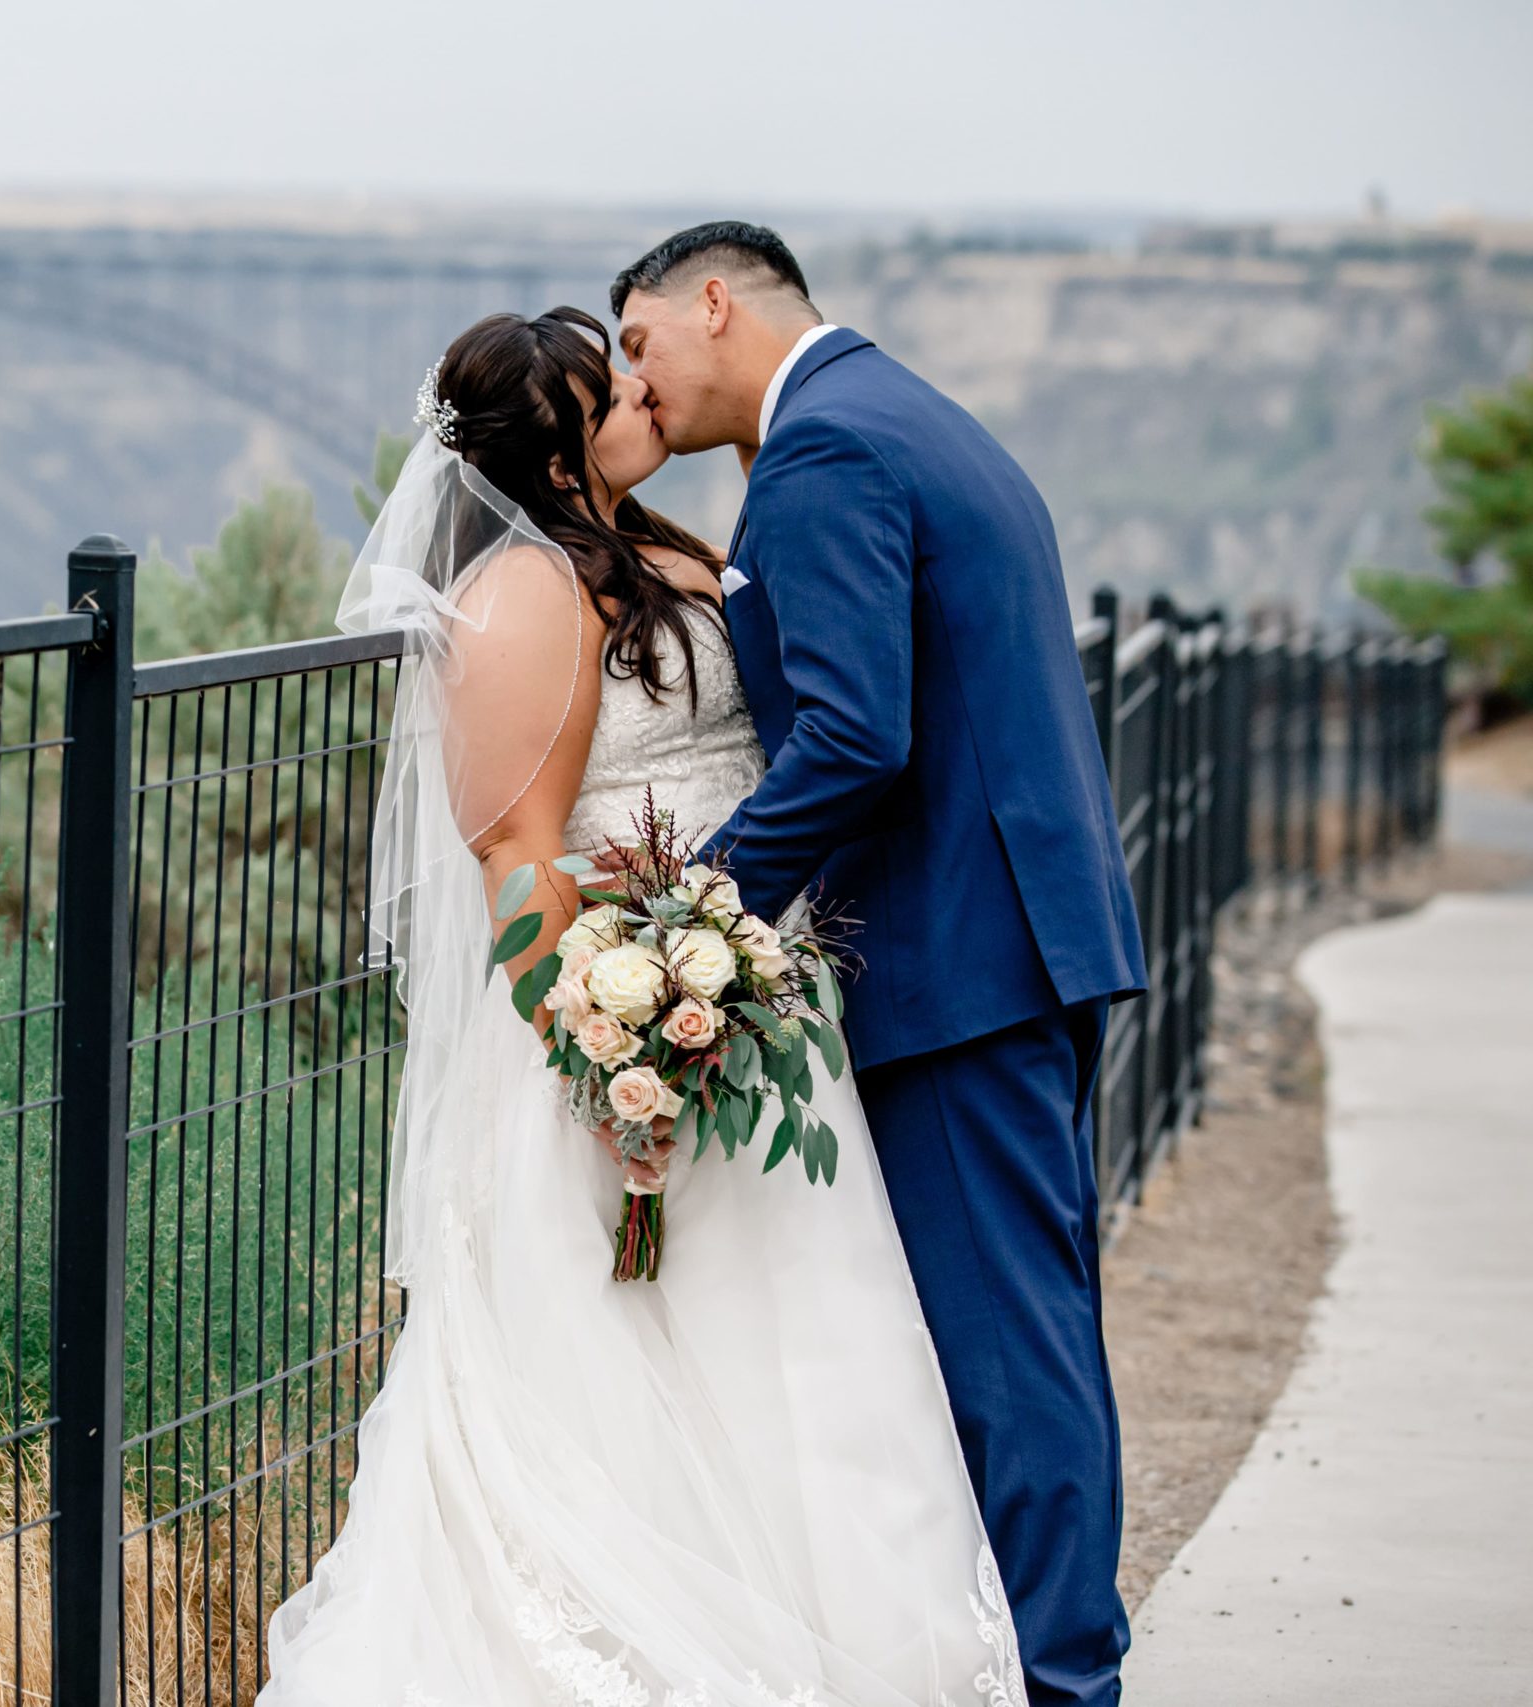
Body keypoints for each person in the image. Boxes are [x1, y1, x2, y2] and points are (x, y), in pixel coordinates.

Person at [259, 306, 1029, 1707]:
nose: (640, 395)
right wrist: (599, 1050)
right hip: (626, 1023)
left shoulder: (670, 553)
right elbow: (514, 856)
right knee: (638, 1349)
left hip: (746, 991)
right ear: (557, 454)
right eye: (606, 392)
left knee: (801, 1326)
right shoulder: (518, 602)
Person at [618, 222, 1147, 1707]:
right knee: (1030, 1331)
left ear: (715, 302)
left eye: (644, 343)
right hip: (1015, 934)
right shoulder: (899, 410)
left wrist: (697, 922)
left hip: (957, 958)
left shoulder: (827, 453)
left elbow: (857, 734)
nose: (639, 386)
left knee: (1009, 1357)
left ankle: (1061, 1683)